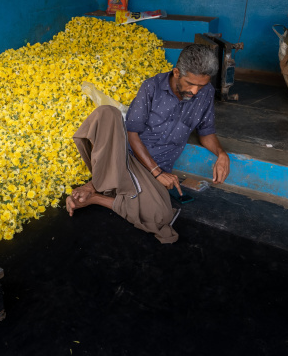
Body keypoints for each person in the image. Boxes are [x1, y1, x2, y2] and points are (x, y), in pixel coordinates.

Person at [66, 44, 230, 243]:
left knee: (160, 216)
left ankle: (95, 196)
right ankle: (101, 183)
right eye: (190, 83)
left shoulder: (205, 93)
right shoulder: (151, 87)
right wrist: (157, 173)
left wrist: (222, 154)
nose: (195, 91)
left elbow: (206, 132)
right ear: (177, 72)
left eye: (201, 86)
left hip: (149, 172)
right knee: (107, 113)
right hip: (125, 154)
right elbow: (132, 133)